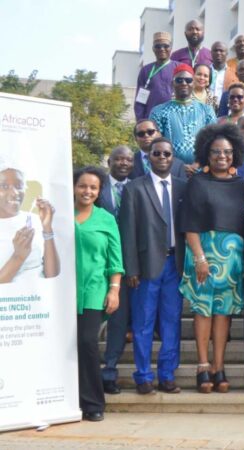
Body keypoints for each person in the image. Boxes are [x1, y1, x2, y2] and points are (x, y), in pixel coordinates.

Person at [179, 124, 244, 394]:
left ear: (235, 154)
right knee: (202, 311)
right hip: (203, 257)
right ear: (206, 154)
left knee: (224, 314)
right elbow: (190, 225)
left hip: (232, 260)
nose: (222, 156)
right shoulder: (197, 182)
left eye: (228, 152)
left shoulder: (241, 186)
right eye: (216, 152)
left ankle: (219, 367)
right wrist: (199, 258)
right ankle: (202, 365)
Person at [119, 137, 186, 395]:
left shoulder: (182, 187)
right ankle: (143, 376)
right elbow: (128, 231)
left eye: (166, 154)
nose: (162, 158)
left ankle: (167, 375)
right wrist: (131, 268)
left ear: (173, 157)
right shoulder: (135, 188)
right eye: (156, 154)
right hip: (145, 267)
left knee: (172, 322)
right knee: (143, 324)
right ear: (149, 158)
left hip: (175, 265)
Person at [73, 166, 124, 422]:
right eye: (83, 186)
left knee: (86, 342)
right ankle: (65, 399)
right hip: (61, 291)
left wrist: (114, 289)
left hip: (94, 289)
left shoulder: (106, 218)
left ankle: (93, 402)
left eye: (93, 187)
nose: (87, 191)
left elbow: (115, 259)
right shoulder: (59, 214)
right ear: (73, 187)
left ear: (99, 191)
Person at [95, 146, 133, 395]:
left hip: (125, 265)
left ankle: (109, 371)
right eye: (118, 158)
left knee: (118, 322)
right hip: (97, 262)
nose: (123, 163)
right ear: (109, 161)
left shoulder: (138, 187)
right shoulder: (97, 187)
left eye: (128, 159)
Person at [0, 157, 59, 283]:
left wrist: (47, 228)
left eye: (19, 186)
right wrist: (18, 257)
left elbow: (52, 275)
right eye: (4, 186)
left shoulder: (33, 220)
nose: (15, 193)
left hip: (38, 300)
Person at [149, 64, 216, 165]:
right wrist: (177, 167)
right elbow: (155, 145)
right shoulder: (158, 111)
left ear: (193, 83)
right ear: (172, 84)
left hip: (201, 171)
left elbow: (213, 141)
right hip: (169, 171)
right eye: (179, 80)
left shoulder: (207, 111)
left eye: (188, 80)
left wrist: (198, 164)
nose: (184, 83)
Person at [134, 32, 179, 121]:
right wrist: (141, 121)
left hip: (174, 119)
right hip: (152, 122)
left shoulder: (179, 68)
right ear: (153, 49)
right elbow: (140, 101)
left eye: (165, 46)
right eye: (158, 46)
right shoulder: (146, 71)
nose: (162, 49)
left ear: (171, 48)